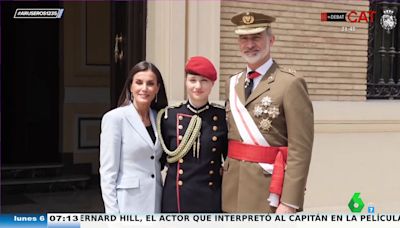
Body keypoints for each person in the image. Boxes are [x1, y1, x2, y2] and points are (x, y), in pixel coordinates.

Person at [222, 11, 314, 213]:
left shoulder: (290, 83)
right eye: (244, 38)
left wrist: (290, 202)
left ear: (271, 40)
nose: (249, 44)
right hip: (231, 190)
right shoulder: (232, 83)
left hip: (269, 193)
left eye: (256, 37)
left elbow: (300, 149)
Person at [157, 56, 227, 212]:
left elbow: (229, 160)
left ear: (212, 84)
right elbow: (159, 160)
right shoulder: (169, 116)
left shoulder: (222, 117)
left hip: (211, 195)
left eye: (204, 81)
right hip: (177, 196)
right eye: (193, 80)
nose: (198, 86)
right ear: (185, 81)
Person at [99, 61, 168, 213]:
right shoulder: (115, 118)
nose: (144, 88)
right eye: (139, 82)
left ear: (157, 88)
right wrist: (112, 215)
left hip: (156, 202)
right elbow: (108, 173)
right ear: (131, 86)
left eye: (150, 83)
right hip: (127, 204)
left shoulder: (160, 118)